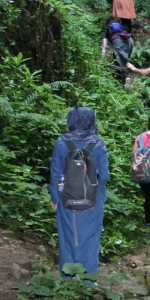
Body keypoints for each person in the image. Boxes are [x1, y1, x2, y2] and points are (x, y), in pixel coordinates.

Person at [49, 107, 110, 277]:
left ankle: (67, 277)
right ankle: (88, 279)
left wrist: (54, 197)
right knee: (91, 238)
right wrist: (100, 193)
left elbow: (54, 174)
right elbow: (104, 174)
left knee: (67, 236)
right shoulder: (98, 144)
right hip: (93, 197)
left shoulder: (61, 142)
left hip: (65, 196)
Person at [101, 16, 134, 84]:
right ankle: (121, 78)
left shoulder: (108, 29)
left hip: (119, 42)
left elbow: (104, 46)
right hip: (130, 41)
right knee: (117, 59)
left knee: (120, 64)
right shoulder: (120, 26)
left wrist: (102, 59)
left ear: (107, 24)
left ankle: (124, 82)